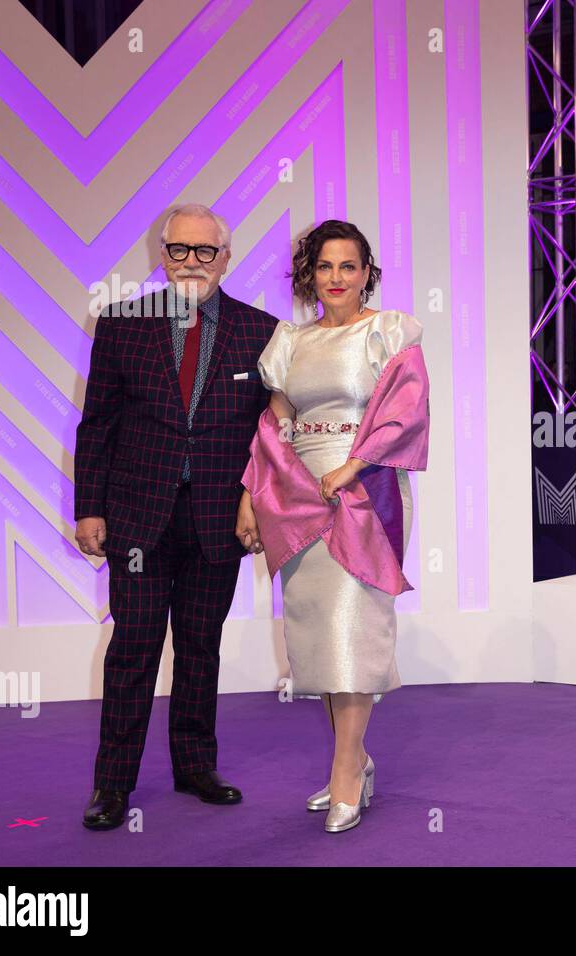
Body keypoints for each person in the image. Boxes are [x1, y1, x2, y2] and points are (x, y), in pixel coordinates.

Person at [74, 204, 278, 830]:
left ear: (226, 257)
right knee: (132, 649)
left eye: (205, 251)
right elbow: (98, 423)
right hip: (137, 516)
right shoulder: (120, 325)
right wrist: (88, 508)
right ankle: (112, 785)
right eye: (179, 250)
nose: (192, 262)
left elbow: (270, 432)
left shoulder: (261, 331)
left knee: (200, 648)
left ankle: (195, 766)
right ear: (162, 256)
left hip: (218, 519)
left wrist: (254, 499)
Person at [237, 220, 429, 833]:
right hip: (298, 494)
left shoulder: (388, 331)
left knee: (353, 626)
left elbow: (406, 412)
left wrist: (352, 467)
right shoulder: (290, 341)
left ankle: (346, 768)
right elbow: (277, 423)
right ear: (309, 275)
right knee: (319, 634)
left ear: (367, 271)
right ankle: (357, 760)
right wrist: (251, 494)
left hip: (365, 490)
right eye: (325, 267)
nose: (337, 278)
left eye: (349, 267)